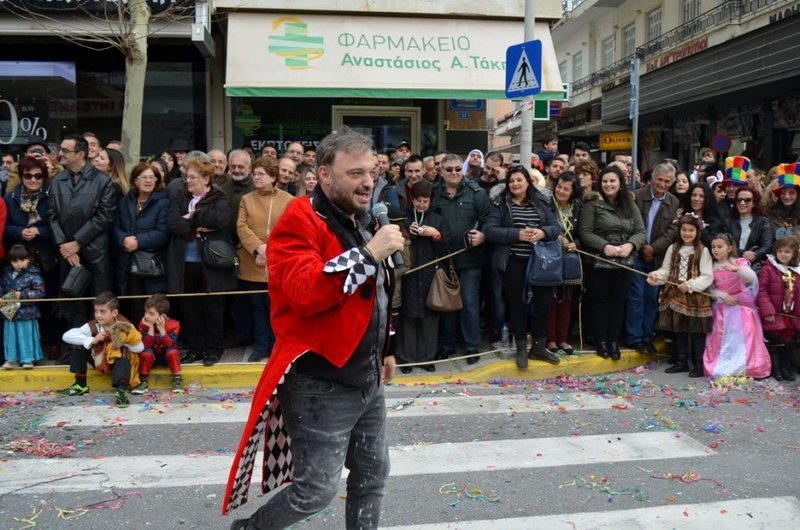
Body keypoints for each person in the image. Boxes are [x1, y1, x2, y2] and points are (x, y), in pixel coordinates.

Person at [224, 127, 402, 529]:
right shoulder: (298, 219)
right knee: (315, 492)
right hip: (320, 380)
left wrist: (386, 347)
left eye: (371, 173)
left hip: (366, 375)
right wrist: (369, 253)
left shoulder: (360, 218)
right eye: (355, 173)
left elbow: (377, 293)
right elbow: (306, 292)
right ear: (324, 174)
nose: (368, 182)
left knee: (373, 475)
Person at [485, 165, 562, 369]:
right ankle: (521, 347)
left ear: (528, 181)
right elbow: (490, 230)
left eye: (519, 180)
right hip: (513, 261)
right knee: (517, 305)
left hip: (541, 262)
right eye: (511, 181)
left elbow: (557, 227)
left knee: (544, 304)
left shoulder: (542, 202)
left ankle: (538, 346)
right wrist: (517, 234)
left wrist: (543, 232)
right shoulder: (500, 203)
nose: (515, 184)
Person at [166, 158, 236, 366]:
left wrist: (191, 216)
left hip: (210, 265)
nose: (188, 181)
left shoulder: (219, 197)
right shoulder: (180, 197)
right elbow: (172, 222)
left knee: (213, 309)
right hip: (184, 263)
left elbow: (219, 220)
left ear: (206, 179)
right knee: (190, 309)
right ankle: (195, 348)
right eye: (186, 176)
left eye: (193, 177)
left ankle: (214, 350)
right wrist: (195, 225)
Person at [579, 165, 646, 361]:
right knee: (600, 301)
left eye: (612, 181)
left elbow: (641, 231)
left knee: (618, 302)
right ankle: (601, 341)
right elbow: (585, 232)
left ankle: (613, 341)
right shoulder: (592, 203)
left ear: (620, 183)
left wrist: (631, 245)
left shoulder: (630, 204)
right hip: (599, 261)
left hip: (624, 261)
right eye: (605, 181)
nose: (608, 185)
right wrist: (604, 246)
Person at [430, 153, 489, 364]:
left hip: (471, 257)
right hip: (444, 258)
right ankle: (447, 345)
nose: (454, 173)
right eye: (449, 169)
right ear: (441, 172)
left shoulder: (476, 192)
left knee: (470, 302)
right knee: (448, 303)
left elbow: (488, 218)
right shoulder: (433, 193)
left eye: (457, 169)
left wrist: (483, 235)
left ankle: (471, 346)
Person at [236, 156, 294, 362]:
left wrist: (271, 251)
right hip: (252, 260)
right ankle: (261, 345)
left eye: (261, 174)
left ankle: (277, 344)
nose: (256, 177)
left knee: (276, 307)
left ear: (272, 177)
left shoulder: (288, 200)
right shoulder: (246, 199)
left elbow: (290, 228)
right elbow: (241, 227)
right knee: (257, 306)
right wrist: (259, 248)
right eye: (255, 173)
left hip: (278, 261)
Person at [647, 214, 714, 376]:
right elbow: (667, 270)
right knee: (679, 329)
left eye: (691, 230)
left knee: (697, 330)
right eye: (684, 230)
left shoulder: (703, 250)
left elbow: (707, 275)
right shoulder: (673, 248)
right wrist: (656, 276)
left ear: (697, 232)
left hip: (695, 296)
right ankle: (681, 361)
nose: (687, 233)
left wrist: (690, 285)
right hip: (676, 294)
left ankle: (698, 364)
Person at [58, 292, 145, 407]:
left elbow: (140, 347)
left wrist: (120, 341)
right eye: (96, 311)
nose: (98, 315)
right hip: (98, 360)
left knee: (124, 351)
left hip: (116, 364)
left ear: (114, 313)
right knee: (78, 344)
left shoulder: (125, 326)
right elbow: (66, 336)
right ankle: (80, 385)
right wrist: (92, 339)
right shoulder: (94, 325)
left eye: (102, 311)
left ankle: (121, 390)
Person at [627, 163, 679, 355]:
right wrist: (641, 246)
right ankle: (634, 337)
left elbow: (672, 231)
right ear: (652, 179)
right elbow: (631, 222)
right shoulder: (637, 196)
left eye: (667, 181)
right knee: (636, 297)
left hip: (656, 258)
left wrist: (654, 248)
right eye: (660, 180)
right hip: (636, 254)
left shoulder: (673, 202)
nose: (663, 184)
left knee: (651, 299)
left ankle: (647, 336)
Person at [704, 233, 771, 379]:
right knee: (723, 336)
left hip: (741, 306)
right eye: (713, 247)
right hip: (723, 306)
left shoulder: (739, 262)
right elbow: (710, 288)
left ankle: (750, 366)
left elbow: (751, 278)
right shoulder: (711, 266)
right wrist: (722, 295)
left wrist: (738, 270)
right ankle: (723, 365)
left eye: (720, 247)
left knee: (744, 335)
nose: (716, 250)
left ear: (729, 248)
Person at [113, 163, 170, 322]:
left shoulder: (163, 203)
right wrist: (123, 239)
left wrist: (138, 241)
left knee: (154, 308)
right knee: (134, 305)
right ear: (135, 181)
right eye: (144, 177)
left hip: (153, 263)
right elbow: (116, 227)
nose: (148, 181)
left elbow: (163, 233)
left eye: (152, 177)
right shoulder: (125, 202)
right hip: (128, 262)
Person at [399, 180, 446, 373]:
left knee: (429, 316)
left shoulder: (437, 218)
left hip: (430, 273)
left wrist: (436, 235)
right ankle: (407, 358)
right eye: (418, 200)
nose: (421, 204)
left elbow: (446, 249)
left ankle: (427, 357)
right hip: (409, 274)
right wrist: (406, 232)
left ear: (430, 201)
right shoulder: (404, 218)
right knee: (408, 315)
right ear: (412, 199)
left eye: (425, 201)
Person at [546, 171, 583, 355]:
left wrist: (576, 243)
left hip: (570, 258)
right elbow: (542, 225)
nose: (560, 191)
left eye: (566, 189)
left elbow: (584, 232)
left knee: (567, 300)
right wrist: (553, 234)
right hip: (550, 257)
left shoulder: (578, 207)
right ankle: (551, 339)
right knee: (551, 300)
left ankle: (563, 339)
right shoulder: (547, 204)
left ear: (573, 192)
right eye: (559, 187)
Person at [757, 236, 800, 381]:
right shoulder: (769, 269)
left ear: (794, 253)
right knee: (775, 340)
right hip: (774, 313)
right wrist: (768, 311)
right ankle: (775, 368)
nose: (783, 254)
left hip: (790, 315)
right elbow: (762, 291)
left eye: (787, 252)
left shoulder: (797, 271)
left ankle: (785, 367)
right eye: (780, 251)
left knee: (788, 341)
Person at [1, 244, 45, 370]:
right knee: (11, 336)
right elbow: (1, 288)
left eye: (22, 260)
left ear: (28, 259)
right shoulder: (6, 274)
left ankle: (27, 359)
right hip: (9, 310)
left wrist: (22, 295)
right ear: (10, 262)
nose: (18, 264)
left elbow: (40, 293)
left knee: (25, 336)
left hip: (27, 312)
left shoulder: (33, 274)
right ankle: (11, 359)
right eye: (15, 261)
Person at [135, 293, 184, 394]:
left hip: (167, 358)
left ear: (163, 316)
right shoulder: (143, 324)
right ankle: (143, 381)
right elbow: (146, 346)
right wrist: (150, 328)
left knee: (173, 352)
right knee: (145, 353)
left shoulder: (174, 325)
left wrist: (162, 330)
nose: (146, 316)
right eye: (146, 312)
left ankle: (177, 378)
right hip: (152, 358)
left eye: (151, 314)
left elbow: (169, 344)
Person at [727, 186, 773, 273]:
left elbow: (767, 246)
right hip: (731, 262)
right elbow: (725, 243)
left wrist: (754, 255)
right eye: (739, 200)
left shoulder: (763, 221)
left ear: (754, 203)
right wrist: (743, 253)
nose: (742, 203)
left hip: (754, 264)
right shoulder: (729, 221)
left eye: (747, 200)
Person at [766, 165, 800, 239]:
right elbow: (776, 235)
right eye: (783, 192)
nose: (787, 196)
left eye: (791, 192)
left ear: (798, 194)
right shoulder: (770, 212)